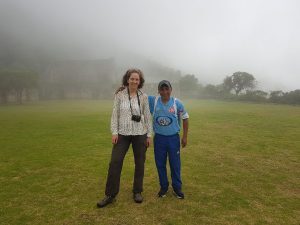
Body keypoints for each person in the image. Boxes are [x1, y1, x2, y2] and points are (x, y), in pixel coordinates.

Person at [97, 69, 152, 208]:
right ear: (127, 79)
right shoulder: (119, 95)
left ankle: (137, 191)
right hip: (122, 134)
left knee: (140, 163)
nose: (134, 81)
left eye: (137, 79)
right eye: (132, 78)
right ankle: (110, 194)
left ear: (140, 82)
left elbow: (148, 116)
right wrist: (114, 132)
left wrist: (149, 135)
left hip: (140, 133)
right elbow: (115, 114)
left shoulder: (143, 96)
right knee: (115, 162)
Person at [148, 80, 189, 199]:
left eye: (167, 89)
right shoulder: (154, 101)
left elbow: (185, 119)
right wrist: (124, 88)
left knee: (175, 164)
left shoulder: (177, 103)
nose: (165, 92)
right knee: (160, 164)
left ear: (171, 90)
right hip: (159, 139)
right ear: (158, 91)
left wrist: (185, 136)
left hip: (173, 139)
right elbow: (139, 94)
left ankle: (177, 188)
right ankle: (164, 187)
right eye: (162, 89)